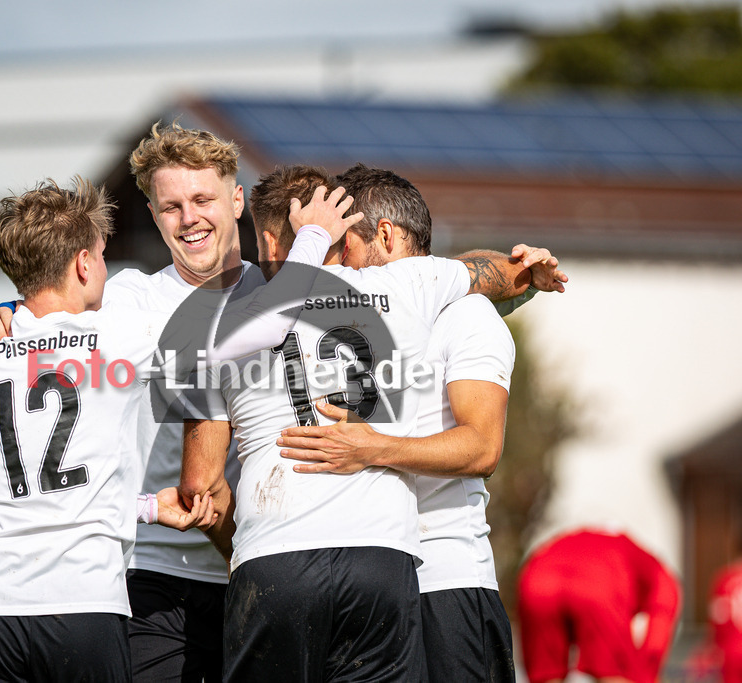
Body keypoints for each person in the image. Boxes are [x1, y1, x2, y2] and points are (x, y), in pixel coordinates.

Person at [0, 175, 357, 681]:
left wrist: (144, 507)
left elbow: (40, 488)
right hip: (81, 603)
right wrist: (312, 237)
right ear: (82, 264)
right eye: (100, 253)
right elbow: (266, 327)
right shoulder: (116, 337)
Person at [179, 165, 567, 681]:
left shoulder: (228, 315)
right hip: (387, 564)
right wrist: (525, 273)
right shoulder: (413, 286)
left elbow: (481, 448)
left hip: (426, 572)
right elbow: (489, 269)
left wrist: (371, 448)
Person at [276, 163, 522, 681]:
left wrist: (372, 448)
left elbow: (482, 449)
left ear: (384, 236)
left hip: (447, 584)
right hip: (382, 578)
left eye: (348, 247)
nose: (342, 265)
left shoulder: (468, 315)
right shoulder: (365, 317)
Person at [517, 528, 680, 683]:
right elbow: (659, 630)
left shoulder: (584, 540)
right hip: (598, 583)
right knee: (613, 673)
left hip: (537, 579)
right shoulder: (660, 573)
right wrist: (647, 674)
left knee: (546, 676)